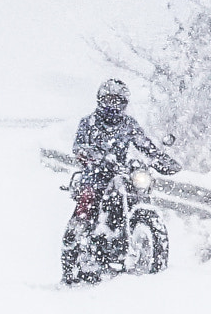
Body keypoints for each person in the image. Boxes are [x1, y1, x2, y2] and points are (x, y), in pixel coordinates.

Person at [63, 78, 180, 285]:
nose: (114, 105)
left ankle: (150, 265)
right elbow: (79, 147)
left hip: (120, 174)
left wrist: (161, 159)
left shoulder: (129, 124)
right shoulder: (89, 122)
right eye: (109, 100)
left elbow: (145, 145)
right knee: (87, 204)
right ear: (101, 100)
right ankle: (72, 258)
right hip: (96, 175)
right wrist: (97, 157)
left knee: (136, 193)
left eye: (118, 100)